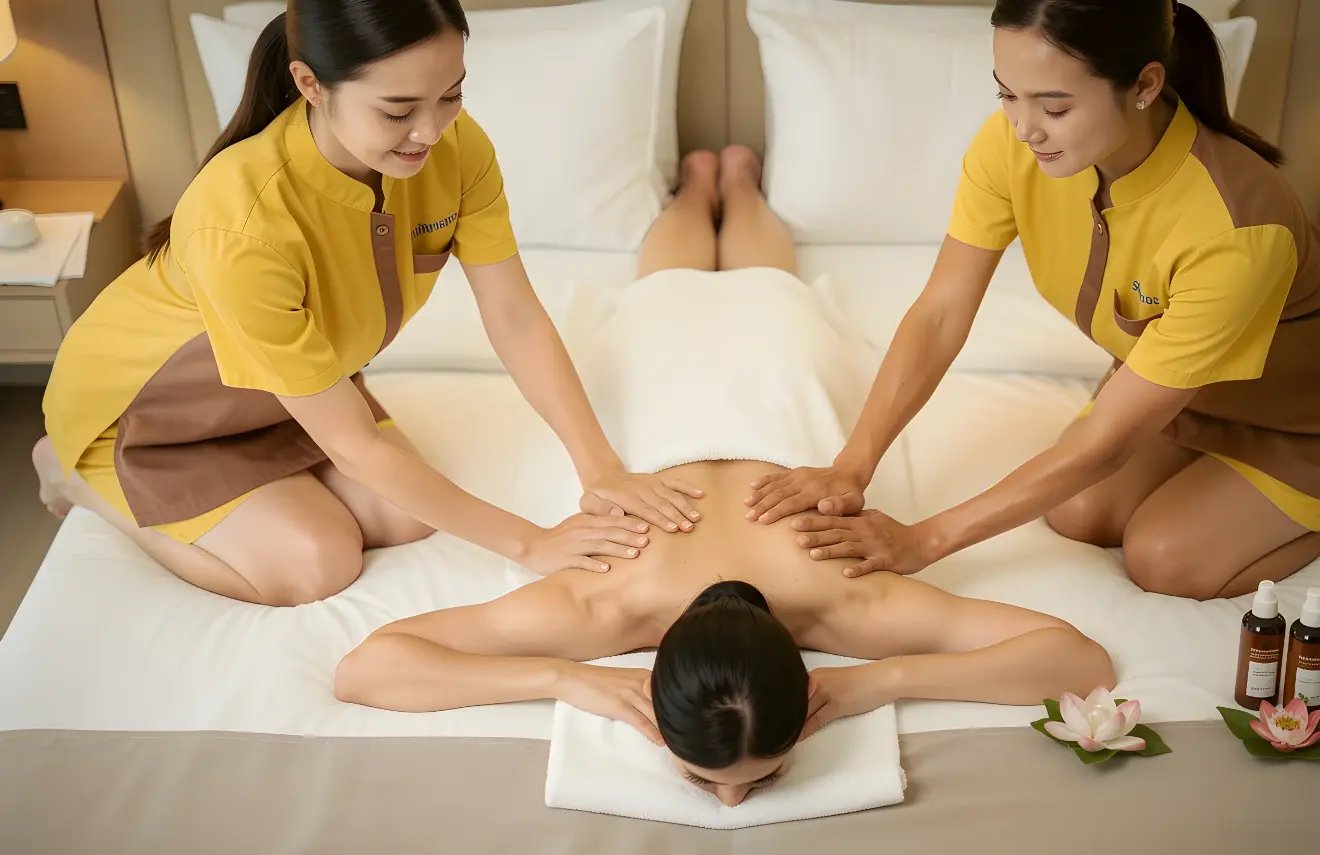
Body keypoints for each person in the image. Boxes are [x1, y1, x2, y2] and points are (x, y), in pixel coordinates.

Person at [333, 147, 1115, 807]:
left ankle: (726, 182)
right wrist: (560, 675)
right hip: (742, 389)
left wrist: (882, 678)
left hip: (755, 385)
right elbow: (1073, 659)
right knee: (690, 291)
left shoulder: (610, 599)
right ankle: (711, 184)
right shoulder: (837, 595)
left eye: (745, 775)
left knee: (733, 290)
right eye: (744, 775)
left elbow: (371, 665)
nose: (734, 801)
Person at [745, 0, 1320, 601]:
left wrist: (926, 539)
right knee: (1077, 512)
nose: (1023, 128)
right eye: (1005, 95)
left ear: (1143, 85)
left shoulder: (1234, 227)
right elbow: (939, 312)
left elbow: (1104, 441)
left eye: (1053, 105)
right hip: (1193, 389)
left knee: (1163, 559)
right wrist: (850, 465)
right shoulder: (1013, 148)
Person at [31, 0, 701, 608]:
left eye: (451, 95)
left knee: (408, 517)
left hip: (290, 392)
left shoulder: (457, 150)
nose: (431, 130)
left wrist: (601, 470)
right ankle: (72, 477)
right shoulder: (239, 219)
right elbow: (351, 441)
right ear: (309, 84)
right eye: (397, 109)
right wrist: (532, 543)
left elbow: (515, 315)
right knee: (315, 563)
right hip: (154, 419)